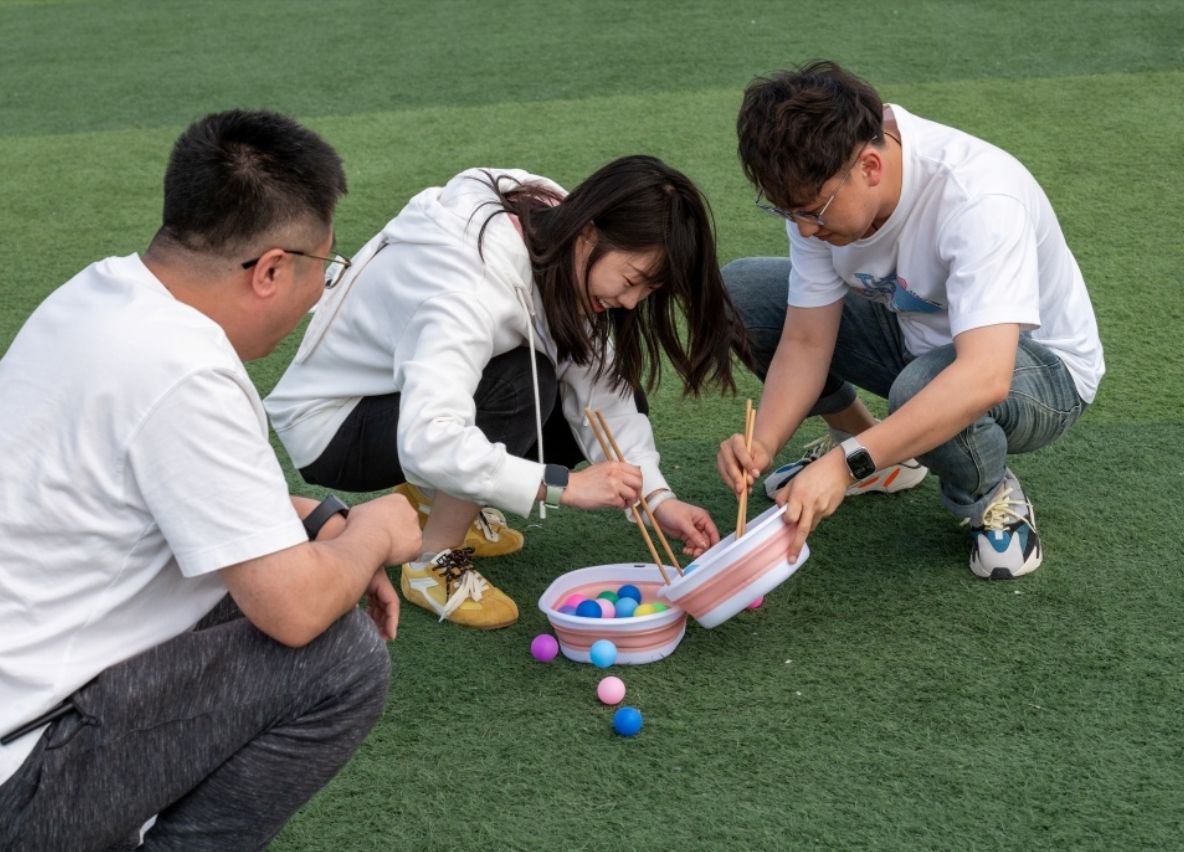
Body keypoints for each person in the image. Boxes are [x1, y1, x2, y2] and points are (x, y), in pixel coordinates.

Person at [0, 110, 423, 851]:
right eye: (325, 269)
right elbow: (295, 610)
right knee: (339, 658)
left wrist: (319, 520)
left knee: (268, 579)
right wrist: (376, 533)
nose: (319, 293)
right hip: (20, 774)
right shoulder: (187, 371)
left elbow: (149, 491)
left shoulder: (98, 297)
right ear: (270, 270)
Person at [265, 155, 743, 629]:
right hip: (335, 426)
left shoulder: (560, 232)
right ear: (588, 233)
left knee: (605, 387)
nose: (632, 302)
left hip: (407, 402)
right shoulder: (468, 286)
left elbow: (601, 392)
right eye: (633, 280)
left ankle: (436, 498)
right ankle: (432, 561)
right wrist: (566, 486)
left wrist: (658, 501)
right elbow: (429, 439)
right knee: (523, 383)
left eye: (649, 290)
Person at [717, 60, 1104, 579]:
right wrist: (762, 443)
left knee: (924, 389)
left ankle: (991, 497)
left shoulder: (978, 197)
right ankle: (876, 448)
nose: (804, 230)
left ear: (870, 167)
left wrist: (844, 468)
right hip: (910, 334)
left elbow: (985, 377)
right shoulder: (821, 187)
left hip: (1042, 370)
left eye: (812, 211)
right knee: (740, 295)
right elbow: (807, 341)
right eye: (788, 212)